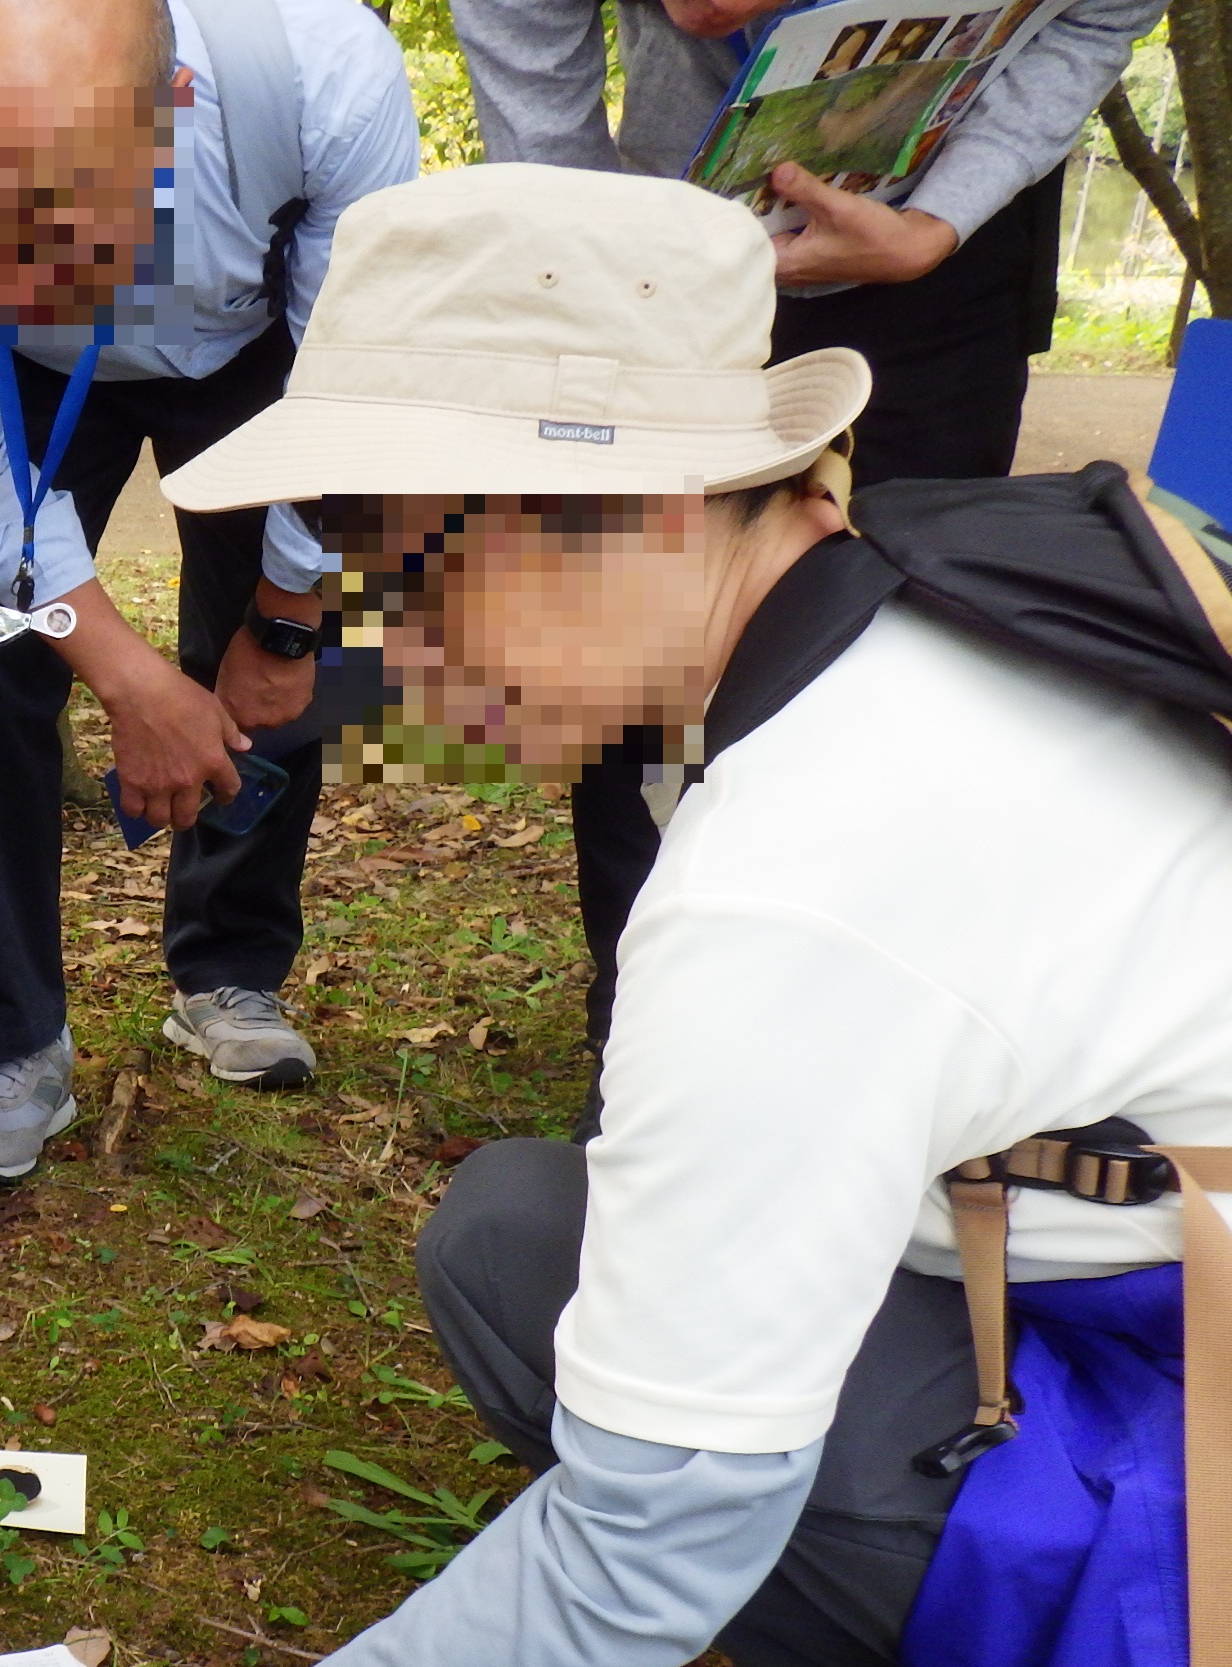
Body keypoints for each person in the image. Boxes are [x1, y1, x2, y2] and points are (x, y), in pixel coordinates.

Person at [0, 165, 1232, 1667]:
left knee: (633, 1385)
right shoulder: (925, 571)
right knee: (528, 1229)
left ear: (649, 505)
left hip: (1186, 1413)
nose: (403, 652)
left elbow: (638, 1544)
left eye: (413, 570)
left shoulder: (790, 886)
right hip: (1130, 1251)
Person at [448, 0, 1164, 1063]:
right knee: (641, 650)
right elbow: (546, 139)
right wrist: (623, 262)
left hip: (933, 251)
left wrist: (943, 220)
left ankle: (883, 1031)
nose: (688, 16)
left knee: (911, 640)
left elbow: (1097, 20)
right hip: (666, 248)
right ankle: (651, 1031)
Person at [0, 0, 421, 1184]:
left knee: (284, 639)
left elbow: (356, 383)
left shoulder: (320, 71)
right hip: (19, 387)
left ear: (168, 112)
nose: (20, 278)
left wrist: (283, 619)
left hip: (259, 344)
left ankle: (229, 966)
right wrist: (129, 678)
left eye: (51, 224)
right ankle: (10, 1040)